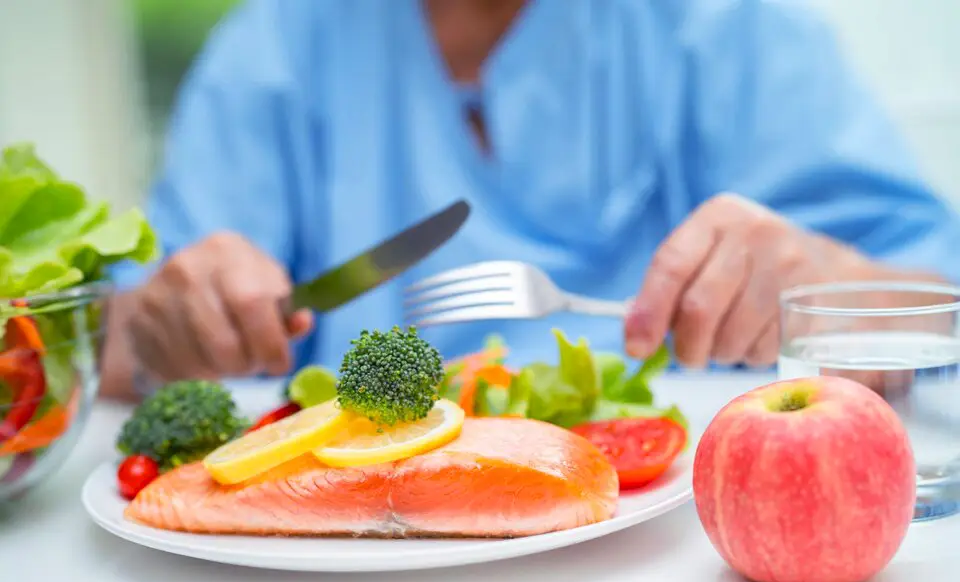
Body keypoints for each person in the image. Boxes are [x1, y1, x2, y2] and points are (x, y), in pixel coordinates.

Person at [101, 0, 960, 400]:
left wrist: (831, 294)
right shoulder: (273, 48)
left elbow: (942, 314)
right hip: (351, 572)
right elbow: (111, 342)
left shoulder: (730, 28)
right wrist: (158, 331)